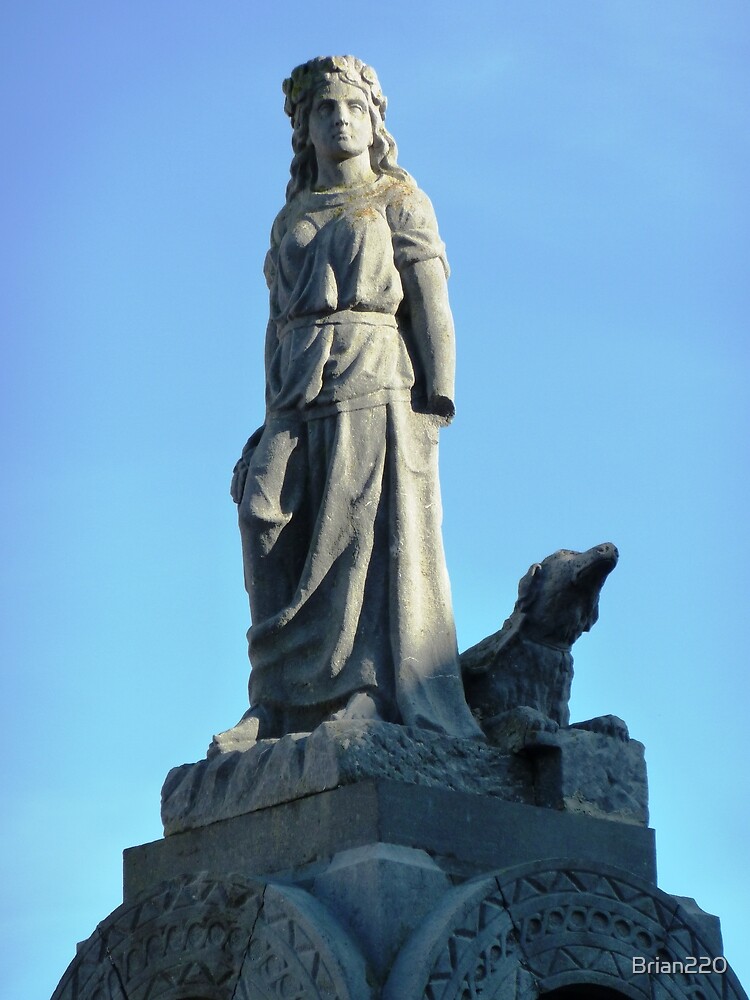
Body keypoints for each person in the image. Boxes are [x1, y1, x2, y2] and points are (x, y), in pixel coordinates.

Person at [210, 55, 482, 753]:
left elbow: (432, 302)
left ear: (373, 120)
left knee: (354, 532)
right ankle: (274, 700)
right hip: (295, 384)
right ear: (303, 128)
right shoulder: (290, 217)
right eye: (324, 109)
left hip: (372, 369)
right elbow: (275, 325)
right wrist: (266, 418)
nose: (340, 119)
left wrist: (438, 398)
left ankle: (364, 688)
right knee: (263, 512)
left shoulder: (400, 199)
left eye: (353, 107)